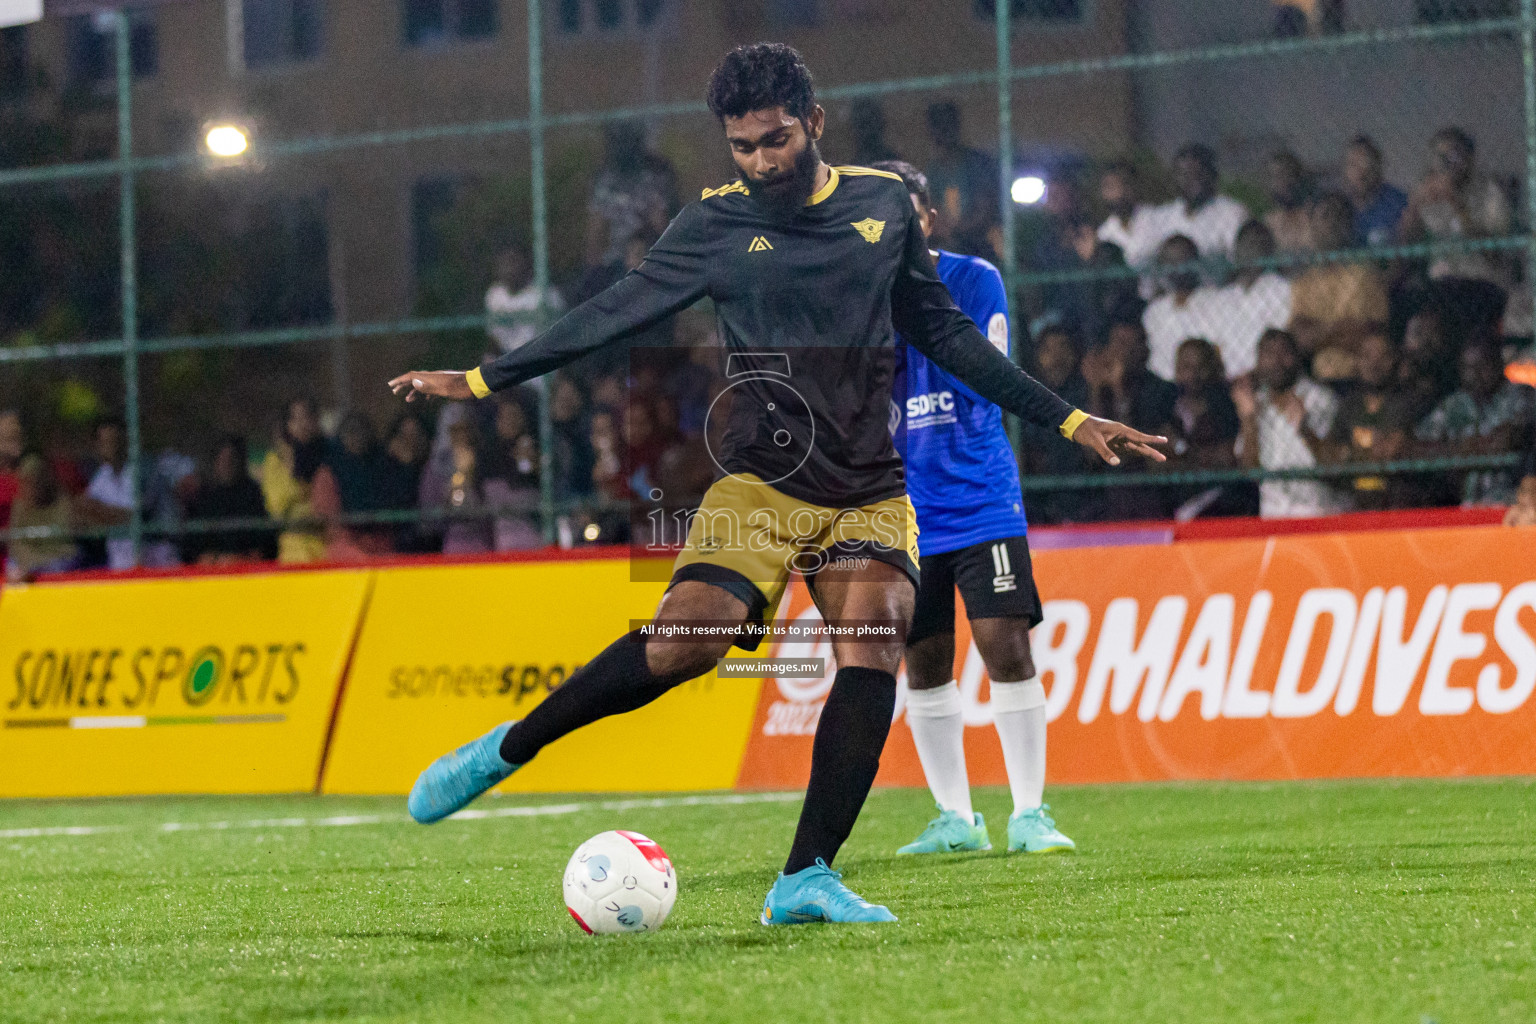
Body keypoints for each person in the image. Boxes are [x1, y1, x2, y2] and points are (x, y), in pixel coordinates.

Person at [389, 43, 1164, 926]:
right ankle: (509, 748)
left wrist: (1070, 418)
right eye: (744, 147)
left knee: (873, 649)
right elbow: (614, 311)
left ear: (815, 122)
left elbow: (946, 334)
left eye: (777, 139)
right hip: (762, 484)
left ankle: (805, 877)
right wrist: (487, 379)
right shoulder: (713, 224)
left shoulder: (881, 205)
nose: (763, 161)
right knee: (686, 643)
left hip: (870, 491)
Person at [872, 160, 1076, 858]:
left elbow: (983, 372)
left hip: (980, 497)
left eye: (908, 210)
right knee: (924, 661)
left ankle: (1031, 813)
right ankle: (956, 818)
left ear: (927, 219)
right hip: (900, 507)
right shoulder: (857, 296)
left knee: (1004, 647)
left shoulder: (973, 279)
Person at [1233, 328, 1346, 518]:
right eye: (1269, 354)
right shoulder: (1254, 403)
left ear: (1297, 358)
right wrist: (1249, 421)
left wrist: (1305, 430)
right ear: (1258, 362)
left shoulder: (1320, 398)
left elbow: (1335, 469)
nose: (1277, 361)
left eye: (1284, 353)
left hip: (1319, 511)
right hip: (1273, 515)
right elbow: (1251, 473)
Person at [1415, 340, 1534, 507]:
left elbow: (1514, 436)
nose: (1475, 374)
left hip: (1512, 503)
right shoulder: (1454, 405)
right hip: (1463, 505)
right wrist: (1457, 448)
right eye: (1468, 368)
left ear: (1498, 363)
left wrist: (1504, 438)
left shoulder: (1522, 395)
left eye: (1483, 365)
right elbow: (1417, 444)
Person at [1400, 127, 1514, 295]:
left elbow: (1495, 253)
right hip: (1440, 282)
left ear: (1469, 158)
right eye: (1440, 158)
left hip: (1482, 282)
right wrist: (1415, 207)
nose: (1446, 164)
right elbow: (1404, 247)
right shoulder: (1428, 190)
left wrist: (1456, 203)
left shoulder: (1490, 193)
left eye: (1453, 156)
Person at [1289, 192, 1389, 380]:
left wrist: (1319, 332)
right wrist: (1339, 328)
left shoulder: (1365, 275)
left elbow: (1369, 335)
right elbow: (1299, 339)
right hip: (1315, 376)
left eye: (1340, 216)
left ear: (1350, 225)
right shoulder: (1304, 281)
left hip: (1360, 376)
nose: (1333, 223)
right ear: (1313, 224)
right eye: (1326, 215)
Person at [1324, 331, 1414, 511]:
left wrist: (1353, 452)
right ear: (1357, 361)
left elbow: (1390, 451)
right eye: (1367, 356)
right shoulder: (1349, 406)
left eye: (1382, 356)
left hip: (1395, 503)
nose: (1374, 364)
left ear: (1394, 361)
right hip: (1353, 502)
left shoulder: (1404, 403)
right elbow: (1330, 453)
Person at [1167, 337, 1246, 519]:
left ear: (1212, 369)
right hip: (1173, 498)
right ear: (1177, 370)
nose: (1193, 374)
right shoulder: (1166, 404)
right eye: (1187, 367)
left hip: (1216, 499)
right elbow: (1156, 459)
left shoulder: (1226, 407)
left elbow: (1228, 458)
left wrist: (1182, 452)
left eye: (1200, 367)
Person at [584, 120, 679, 269]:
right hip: (616, 258)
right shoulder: (607, 180)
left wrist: (665, 255)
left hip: (646, 255)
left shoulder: (651, 178)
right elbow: (596, 225)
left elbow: (659, 220)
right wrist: (593, 260)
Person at [1211, 220, 1292, 379]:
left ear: (1268, 249)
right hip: (1226, 379)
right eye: (1245, 245)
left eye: (1256, 244)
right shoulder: (1224, 296)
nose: (1250, 251)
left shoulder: (1281, 288)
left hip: (1267, 376)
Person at [182, 435, 275, 564]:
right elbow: (193, 548)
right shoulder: (204, 498)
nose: (227, 464)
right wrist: (212, 559)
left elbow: (263, 547)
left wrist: (238, 560)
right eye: (222, 459)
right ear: (215, 462)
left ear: (240, 462)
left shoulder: (253, 495)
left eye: (232, 458)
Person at [924, 100, 999, 259]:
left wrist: (960, 231)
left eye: (946, 126)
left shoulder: (977, 165)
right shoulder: (934, 170)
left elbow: (985, 210)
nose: (941, 133)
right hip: (946, 245)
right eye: (937, 127)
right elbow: (931, 208)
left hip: (977, 245)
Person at [1142, 234, 1220, 381]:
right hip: (1160, 386)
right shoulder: (1154, 311)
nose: (1177, 268)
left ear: (1195, 262)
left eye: (1182, 260)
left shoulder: (1213, 301)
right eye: (1170, 262)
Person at [1153, 143, 1249, 261]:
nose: (1191, 181)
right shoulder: (1163, 216)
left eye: (1198, 174)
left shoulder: (1232, 212)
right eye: (1184, 175)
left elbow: (1239, 262)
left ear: (1211, 175)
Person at [261, 398, 327, 563]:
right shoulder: (276, 462)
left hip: (327, 551)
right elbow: (276, 507)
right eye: (296, 419)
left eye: (307, 417)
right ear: (287, 425)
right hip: (293, 553)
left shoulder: (329, 456)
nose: (303, 424)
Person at [485, 243, 566, 359]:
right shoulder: (494, 294)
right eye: (503, 262)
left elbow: (561, 342)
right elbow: (494, 342)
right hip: (507, 366)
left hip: (538, 365)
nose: (508, 268)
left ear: (525, 262)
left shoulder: (546, 295)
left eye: (513, 260)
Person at [75, 417, 134, 570]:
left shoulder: (140, 471)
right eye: (104, 442)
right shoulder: (103, 475)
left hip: (149, 558)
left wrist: (99, 511)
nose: (109, 447)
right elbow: (83, 510)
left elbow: (134, 518)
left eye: (113, 441)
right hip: (117, 559)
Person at [1096, 161, 1164, 273]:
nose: (1114, 193)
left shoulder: (1156, 218)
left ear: (1131, 187)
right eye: (1108, 187)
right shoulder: (1104, 234)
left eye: (1119, 185)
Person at [1342, 135, 1408, 247]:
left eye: (1365, 162)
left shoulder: (1398, 202)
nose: (1360, 172)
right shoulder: (1341, 208)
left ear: (1378, 165)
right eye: (1353, 164)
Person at [1262, 149, 1314, 255]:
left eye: (1286, 175)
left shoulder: (1311, 217)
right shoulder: (1269, 222)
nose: (1281, 182)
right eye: (1275, 177)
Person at [848, 98, 899, 166]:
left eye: (869, 123)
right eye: (862, 125)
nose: (866, 131)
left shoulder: (894, 163)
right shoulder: (854, 167)